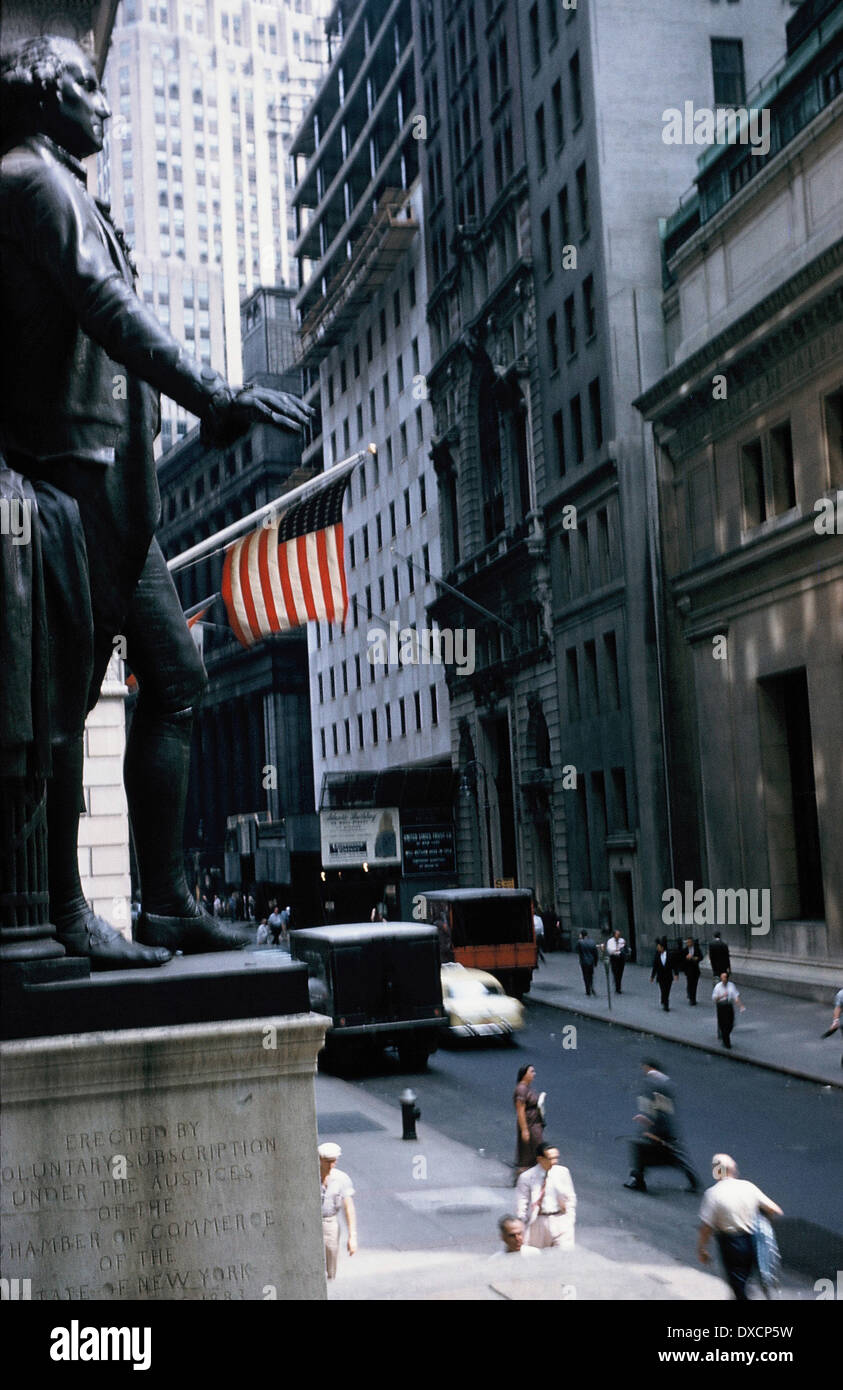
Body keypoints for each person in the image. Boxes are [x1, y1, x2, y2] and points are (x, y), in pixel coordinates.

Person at [0, 37, 311, 968]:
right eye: (90, 87)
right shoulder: (27, 180)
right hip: (67, 483)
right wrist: (215, 394)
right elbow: (103, 306)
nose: (105, 105)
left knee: (176, 680)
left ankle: (168, 902)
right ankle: (62, 908)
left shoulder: (59, 183)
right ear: (49, 93)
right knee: (61, 708)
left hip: (116, 499)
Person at [697, 1153, 782, 1301]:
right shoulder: (748, 1186)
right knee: (742, 1280)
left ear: (716, 1171)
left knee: (738, 1284)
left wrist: (702, 1249)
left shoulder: (713, 1194)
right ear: (733, 1170)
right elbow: (774, 1209)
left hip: (730, 1244)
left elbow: (706, 1227)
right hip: (751, 1240)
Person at [624, 1059, 700, 1194]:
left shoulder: (657, 1085)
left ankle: (637, 1179)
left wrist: (651, 1128)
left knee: (642, 1149)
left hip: (660, 1130)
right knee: (671, 1155)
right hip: (663, 1129)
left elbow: (660, 1112)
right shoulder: (662, 1083)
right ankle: (693, 1180)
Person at [515, 1143, 576, 1250]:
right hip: (538, 1221)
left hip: (560, 1219)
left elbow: (570, 1197)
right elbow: (522, 1201)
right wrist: (522, 1221)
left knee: (564, 1254)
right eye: (550, 1158)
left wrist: (570, 1219)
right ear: (540, 1159)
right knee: (537, 1256)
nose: (555, 1161)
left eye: (556, 1157)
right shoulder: (527, 1177)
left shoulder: (563, 1172)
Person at [318, 1142, 357, 1280]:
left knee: (331, 1255)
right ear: (319, 1160)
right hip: (310, 1221)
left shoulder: (341, 1179)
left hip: (330, 1222)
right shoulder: (308, 1176)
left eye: (334, 1161)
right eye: (327, 1162)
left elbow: (348, 1207)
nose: (331, 1165)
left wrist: (352, 1236)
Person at [513, 1063, 544, 1178]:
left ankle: (528, 1176)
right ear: (524, 1074)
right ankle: (522, 1177)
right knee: (531, 1150)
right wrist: (524, 1129)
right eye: (531, 1071)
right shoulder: (521, 1089)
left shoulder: (527, 1087)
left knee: (534, 1149)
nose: (534, 1074)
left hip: (535, 1122)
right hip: (529, 1123)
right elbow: (520, 1110)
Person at [712, 971, 744, 1049]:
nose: (724, 979)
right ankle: (726, 1042)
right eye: (722, 977)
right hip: (721, 1006)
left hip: (729, 1005)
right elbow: (715, 999)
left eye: (725, 977)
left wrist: (741, 1006)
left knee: (730, 1023)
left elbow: (735, 997)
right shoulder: (718, 987)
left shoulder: (731, 985)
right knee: (723, 1024)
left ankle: (724, 1036)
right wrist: (722, 995)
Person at [651, 938, 678, 1011]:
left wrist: (676, 974)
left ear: (662, 947)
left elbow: (674, 965)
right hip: (660, 976)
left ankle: (665, 1001)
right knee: (663, 990)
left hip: (668, 976)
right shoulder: (657, 955)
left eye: (658, 947)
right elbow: (655, 966)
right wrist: (652, 976)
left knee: (667, 990)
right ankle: (665, 1004)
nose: (657, 948)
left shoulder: (669, 955)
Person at [680, 936, 703, 1005]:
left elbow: (701, 956)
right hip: (688, 970)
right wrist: (686, 958)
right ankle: (691, 998)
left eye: (690, 942)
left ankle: (693, 998)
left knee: (695, 985)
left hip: (695, 969)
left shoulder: (697, 949)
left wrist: (697, 958)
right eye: (687, 942)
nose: (688, 943)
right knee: (690, 984)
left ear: (692, 942)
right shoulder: (685, 950)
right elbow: (681, 960)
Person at [576, 929, 599, 996]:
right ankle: (592, 987)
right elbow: (595, 953)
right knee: (591, 975)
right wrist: (595, 962)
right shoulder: (592, 942)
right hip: (591, 962)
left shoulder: (580, 942)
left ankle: (587, 990)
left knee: (585, 976)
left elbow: (577, 950)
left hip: (584, 962)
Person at [605, 928, 627, 994]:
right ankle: (617, 986)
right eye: (617, 934)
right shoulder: (610, 941)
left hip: (621, 958)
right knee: (615, 972)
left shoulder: (622, 940)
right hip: (614, 958)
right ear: (614, 935)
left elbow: (624, 948)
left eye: (619, 934)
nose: (618, 935)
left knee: (620, 973)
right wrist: (617, 950)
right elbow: (610, 950)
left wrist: (620, 949)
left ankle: (618, 986)